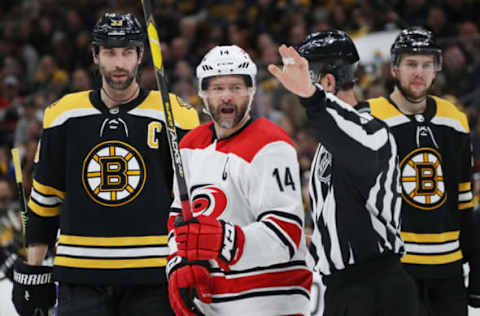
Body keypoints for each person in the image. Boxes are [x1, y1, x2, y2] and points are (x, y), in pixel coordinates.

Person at [11, 12, 199, 316]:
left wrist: (196, 262)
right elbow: (46, 199)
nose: (119, 63)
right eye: (110, 53)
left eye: (127, 52)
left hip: (153, 276)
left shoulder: (177, 114)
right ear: (95, 56)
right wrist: (33, 268)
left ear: (140, 55)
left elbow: (193, 198)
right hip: (80, 277)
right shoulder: (63, 115)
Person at [268, 31, 419, 316]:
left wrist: (313, 98)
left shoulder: (373, 131)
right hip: (342, 291)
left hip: (378, 291)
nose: (298, 98)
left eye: (307, 81)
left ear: (327, 82)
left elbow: (353, 141)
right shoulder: (327, 146)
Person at [166, 45, 312, 316]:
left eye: (236, 87)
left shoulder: (272, 144)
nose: (226, 97)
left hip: (272, 302)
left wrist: (224, 240)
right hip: (211, 302)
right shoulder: (189, 145)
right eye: (217, 88)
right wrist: (178, 264)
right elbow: (177, 221)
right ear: (202, 93)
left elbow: (286, 234)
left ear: (252, 91)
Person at [366, 26, 480, 316]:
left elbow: (465, 203)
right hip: (394, 270)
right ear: (394, 69)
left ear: (435, 70)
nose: (419, 72)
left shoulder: (454, 120)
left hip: (448, 271)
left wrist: (476, 272)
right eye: (411, 64)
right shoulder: (368, 118)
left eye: (427, 64)